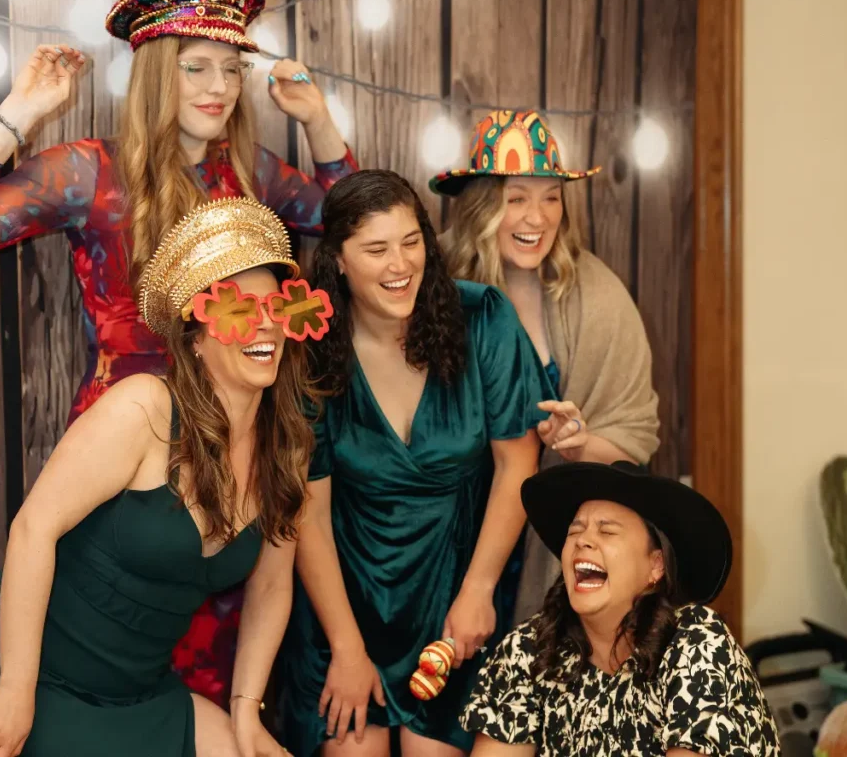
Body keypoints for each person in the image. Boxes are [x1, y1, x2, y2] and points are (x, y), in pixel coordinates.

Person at [0, 0, 356, 707]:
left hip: (233, 454)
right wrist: (19, 112)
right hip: (130, 454)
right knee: (103, 667)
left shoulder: (253, 177)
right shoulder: (89, 172)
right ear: (154, 72)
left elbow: (358, 222)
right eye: (196, 67)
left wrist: (321, 124)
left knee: (208, 687)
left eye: (231, 70)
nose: (219, 88)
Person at [0, 197, 332, 757]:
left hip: (138, 694)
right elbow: (32, 529)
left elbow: (270, 584)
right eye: (240, 309)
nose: (265, 323)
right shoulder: (143, 408)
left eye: (279, 306)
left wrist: (246, 714)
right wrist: (16, 689)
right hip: (29, 677)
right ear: (196, 334)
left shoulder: (286, 445)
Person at [278, 170, 554, 757]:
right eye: (376, 249)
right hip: (346, 601)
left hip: (456, 596)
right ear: (339, 261)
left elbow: (518, 463)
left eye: (411, 241)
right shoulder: (310, 349)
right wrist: (347, 647)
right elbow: (310, 513)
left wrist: (478, 589)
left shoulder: (483, 318)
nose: (399, 263)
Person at [430, 109, 660, 621]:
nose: (538, 217)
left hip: (553, 547)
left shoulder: (598, 297)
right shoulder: (433, 284)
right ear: (482, 207)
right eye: (516, 199)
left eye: (551, 197)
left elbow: (634, 439)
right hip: (448, 540)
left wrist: (581, 445)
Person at [461, 461, 781, 757]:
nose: (582, 541)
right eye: (575, 531)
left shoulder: (696, 641)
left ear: (655, 566)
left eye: (607, 531)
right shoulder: (528, 648)